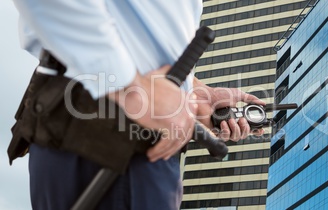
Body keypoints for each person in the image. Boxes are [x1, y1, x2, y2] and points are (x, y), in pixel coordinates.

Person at [11, 0, 266, 209]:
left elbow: (144, 34)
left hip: (130, 136)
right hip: (108, 135)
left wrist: (194, 94)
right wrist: (133, 90)